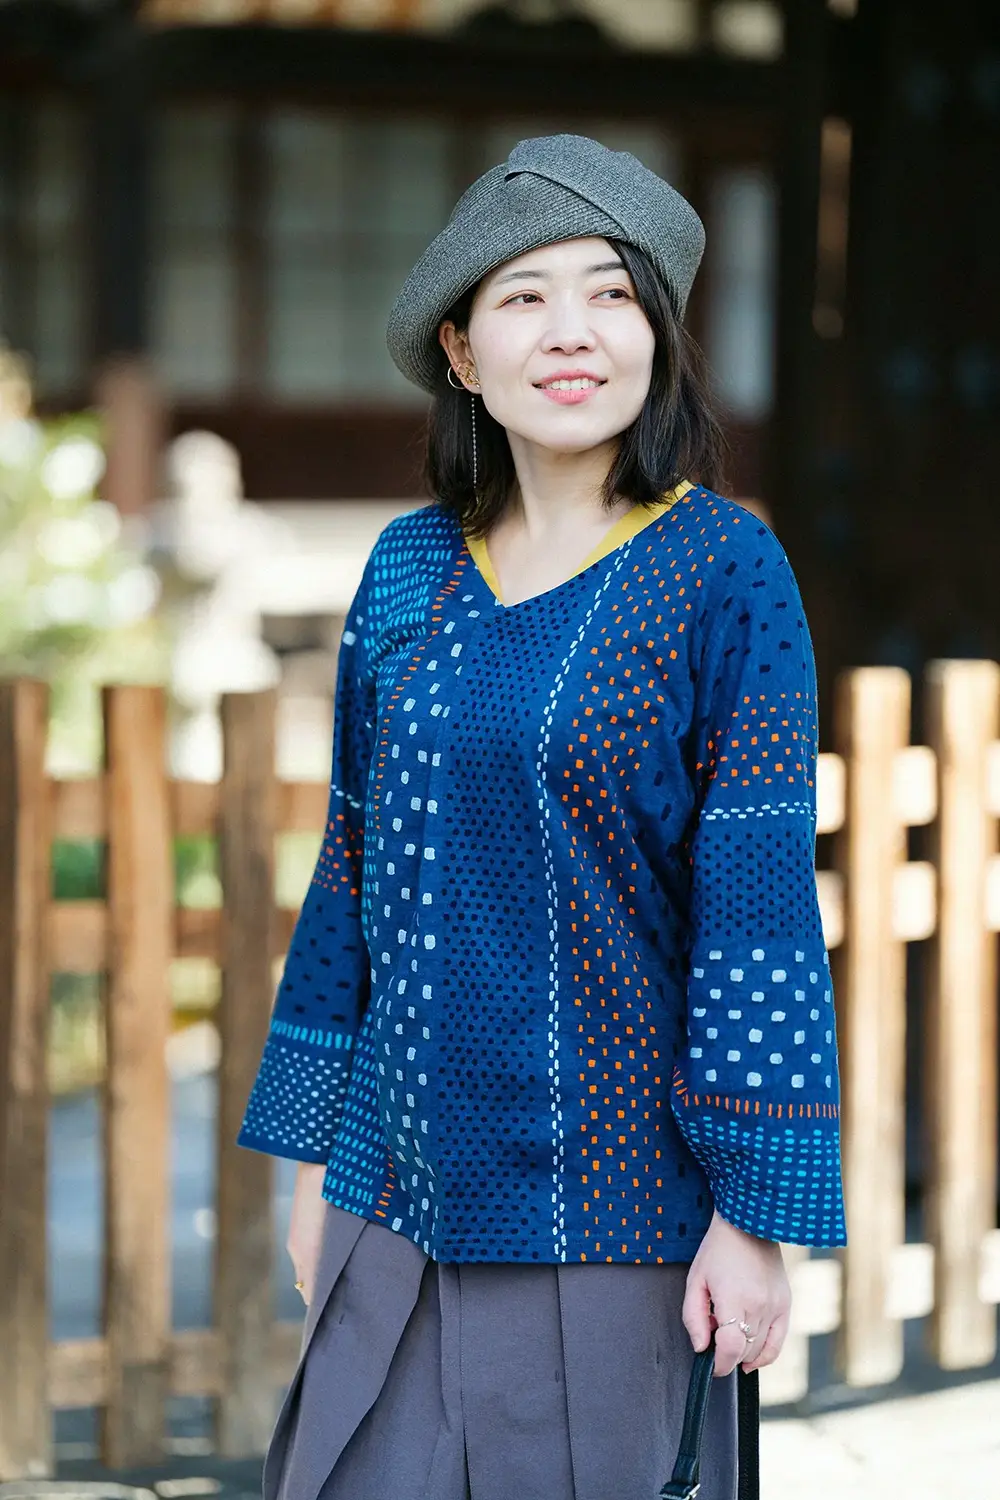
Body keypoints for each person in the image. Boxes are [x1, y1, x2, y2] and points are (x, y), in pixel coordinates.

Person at [237, 134, 847, 1500]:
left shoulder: (725, 569)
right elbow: (351, 874)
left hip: (619, 1209)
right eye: (523, 297)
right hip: (393, 1185)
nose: (571, 330)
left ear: (657, 339)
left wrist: (756, 1219)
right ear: (461, 353)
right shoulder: (407, 567)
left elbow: (757, 917)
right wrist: (317, 1160)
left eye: (611, 294)